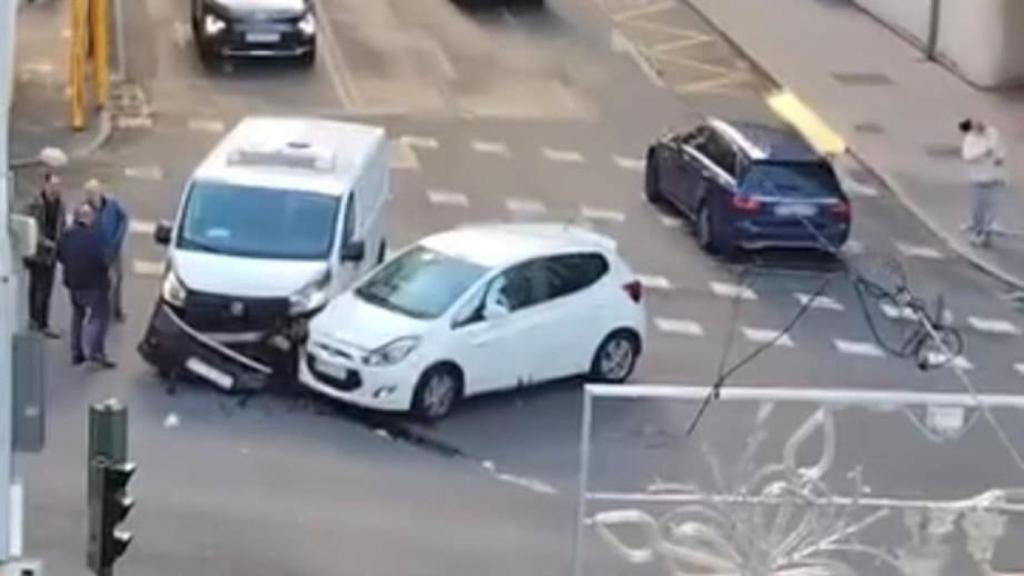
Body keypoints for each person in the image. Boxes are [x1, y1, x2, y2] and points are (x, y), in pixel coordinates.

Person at [57, 204, 116, 368]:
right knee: (100, 316)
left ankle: (76, 351)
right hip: (94, 285)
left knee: (77, 314)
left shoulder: (67, 235)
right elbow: (103, 261)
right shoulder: (95, 237)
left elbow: (60, 255)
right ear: (89, 218)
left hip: (73, 284)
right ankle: (94, 350)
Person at [23, 172, 66, 338]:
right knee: (37, 287)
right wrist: (44, 241)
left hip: (52, 253)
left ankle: (42, 322)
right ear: (46, 185)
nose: (56, 188)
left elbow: (62, 224)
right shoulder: (36, 203)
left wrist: (61, 241)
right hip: (38, 252)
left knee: (47, 289)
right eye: (53, 185)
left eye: (58, 185)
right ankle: (35, 320)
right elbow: (31, 226)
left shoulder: (60, 204)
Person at [83, 179, 128, 322]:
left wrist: (118, 238)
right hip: (98, 253)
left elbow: (123, 219)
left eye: (93, 193)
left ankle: (117, 310)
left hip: (114, 249)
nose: (91, 197)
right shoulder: (85, 209)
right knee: (102, 283)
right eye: (89, 194)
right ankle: (101, 310)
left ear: (100, 192)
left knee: (118, 279)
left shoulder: (112, 205)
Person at [959, 118, 1007, 247]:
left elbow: (1000, 147)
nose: (981, 128)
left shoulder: (993, 133)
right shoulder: (970, 140)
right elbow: (967, 157)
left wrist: (1000, 157)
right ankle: (977, 230)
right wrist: (984, 152)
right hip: (978, 179)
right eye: (976, 127)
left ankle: (986, 233)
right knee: (978, 208)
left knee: (992, 207)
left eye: (981, 125)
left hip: (995, 177)